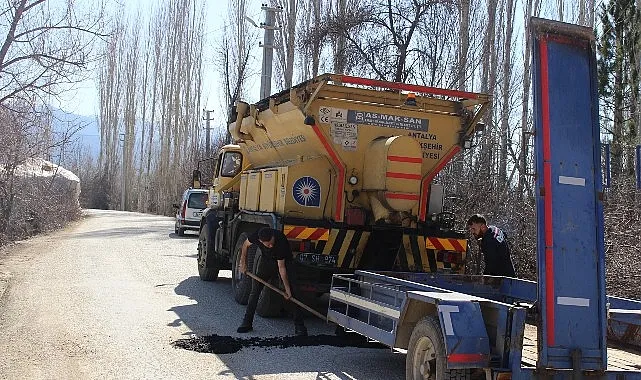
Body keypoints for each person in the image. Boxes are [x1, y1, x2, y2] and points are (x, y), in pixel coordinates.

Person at [237, 227, 308, 336]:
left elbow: (282, 268)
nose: (271, 246)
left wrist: (287, 290)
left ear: (273, 237)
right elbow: (245, 245)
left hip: (285, 263)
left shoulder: (280, 241)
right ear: (260, 241)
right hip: (266, 262)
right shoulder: (257, 235)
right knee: (255, 291)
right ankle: (247, 322)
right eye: (268, 244)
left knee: (293, 293)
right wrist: (243, 263)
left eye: (272, 243)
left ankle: (300, 326)